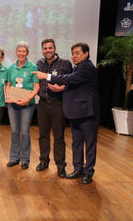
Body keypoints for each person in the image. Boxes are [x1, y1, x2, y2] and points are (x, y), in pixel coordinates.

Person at [33, 42, 99, 184]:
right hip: (75, 111)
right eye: (73, 53)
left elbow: (68, 79)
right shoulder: (78, 67)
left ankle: (88, 172)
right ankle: (78, 168)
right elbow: (72, 84)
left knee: (89, 144)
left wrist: (47, 76)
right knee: (77, 143)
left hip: (88, 112)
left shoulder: (87, 67)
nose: (74, 56)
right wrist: (62, 88)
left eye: (77, 53)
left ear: (86, 54)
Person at [35, 39, 73, 178]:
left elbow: (71, 82)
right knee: (43, 135)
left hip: (58, 104)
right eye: (45, 48)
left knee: (59, 136)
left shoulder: (65, 63)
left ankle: (60, 165)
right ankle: (44, 161)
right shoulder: (39, 64)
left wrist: (61, 88)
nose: (48, 51)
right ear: (42, 50)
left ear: (55, 48)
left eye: (50, 48)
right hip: (43, 104)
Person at [5, 41, 39, 170]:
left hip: (27, 104)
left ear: (27, 53)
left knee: (24, 132)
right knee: (14, 131)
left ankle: (25, 159)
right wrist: (8, 95)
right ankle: (14, 158)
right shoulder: (11, 68)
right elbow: (8, 84)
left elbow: (36, 87)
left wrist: (29, 99)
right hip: (13, 104)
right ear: (16, 52)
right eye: (19, 51)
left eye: (23, 51)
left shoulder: (33, 67)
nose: (21, 53)